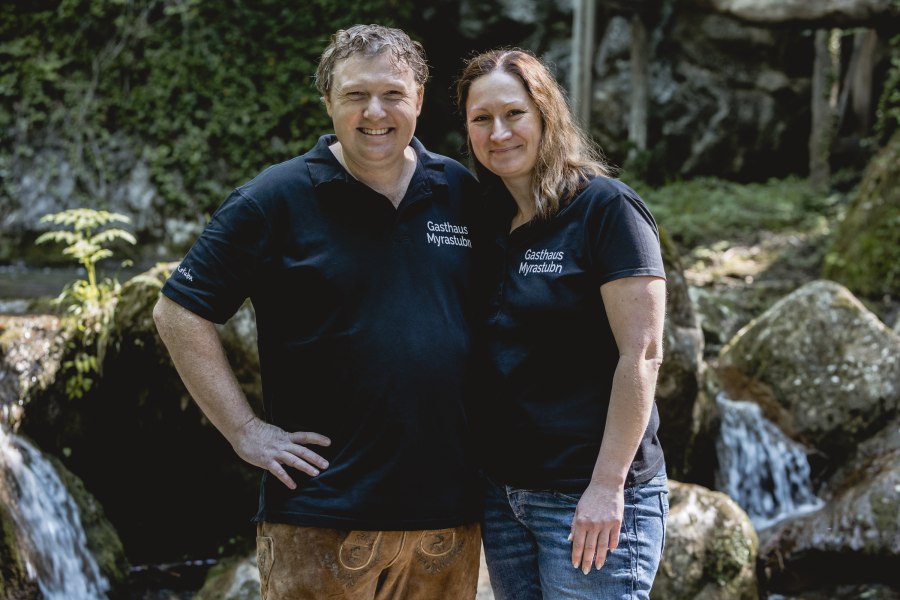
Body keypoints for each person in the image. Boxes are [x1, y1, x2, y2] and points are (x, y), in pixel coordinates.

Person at [153, 24, 484, 600]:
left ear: (420, 100)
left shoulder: (460, 190)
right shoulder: (273, 200)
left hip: (448, 519)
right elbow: (178, 311)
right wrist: (245, 431)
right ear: (328, 100)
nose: (374, 112)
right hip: (319, 516)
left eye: (392, 94)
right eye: (355, 95)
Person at [455, 48, 669, 599]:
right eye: (482, 119)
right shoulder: (483, 219)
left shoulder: (606, 209)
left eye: (514, 114)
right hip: (505, 499)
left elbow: (641, 354)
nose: (498, 132)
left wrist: (606, 486)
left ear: (547, 113)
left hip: (587, 499)